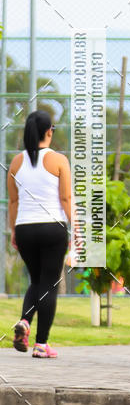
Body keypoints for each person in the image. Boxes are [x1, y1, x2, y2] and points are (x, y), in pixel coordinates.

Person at [7, 111, 71, 358]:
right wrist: (74, 227)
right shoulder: (58, 160)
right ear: (48, 132)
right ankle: (41, 345)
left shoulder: (15, 162)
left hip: (25, 229)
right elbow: (65, 198)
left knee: (36, 281)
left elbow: (13, 202)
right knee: (49, 284)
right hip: (52, 227)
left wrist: (14, 231)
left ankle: (24, 322)